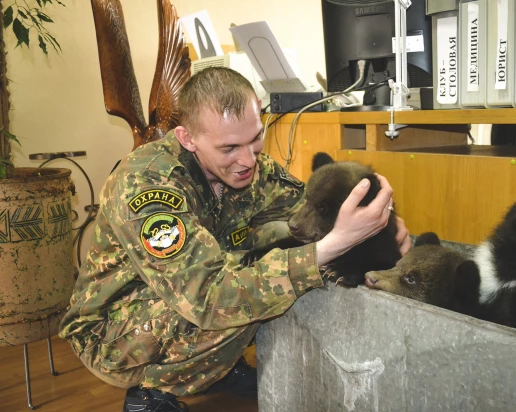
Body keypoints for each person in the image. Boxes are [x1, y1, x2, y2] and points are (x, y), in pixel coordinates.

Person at [59, 67, 411, 412]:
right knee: (260, 287)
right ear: (188, 138)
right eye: (229, 148)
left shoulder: (256, 169)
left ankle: (217, 370)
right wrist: (330, 249)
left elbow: (318, 214)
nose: (247, 160)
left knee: (275, 260)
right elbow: (207, 298)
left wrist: (378, 222)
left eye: (255, 138)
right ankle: (151, 392)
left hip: (180, 294)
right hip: (113, 331)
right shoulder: (148, 186)